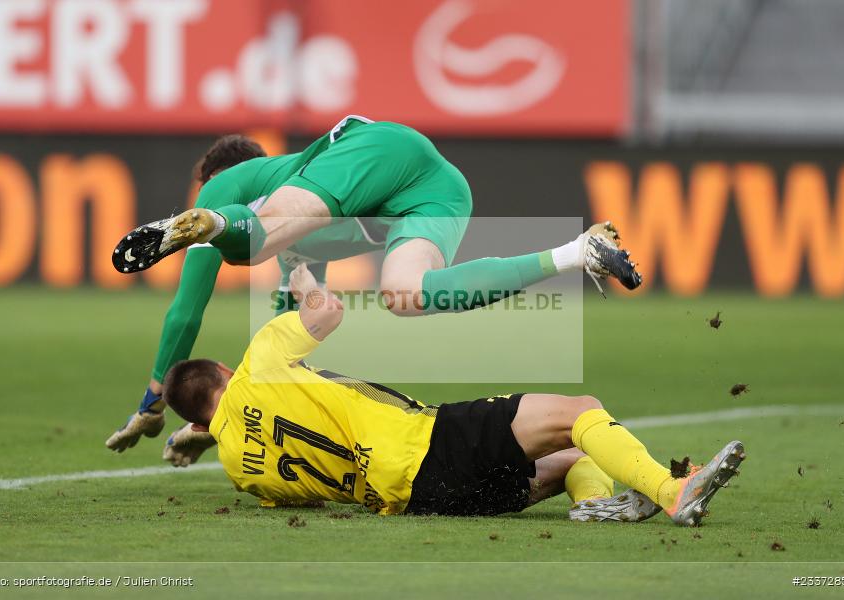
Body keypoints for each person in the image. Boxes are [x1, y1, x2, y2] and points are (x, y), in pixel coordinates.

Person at [107, 118, 643, 463]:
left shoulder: (228, 182)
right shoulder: (304, 247)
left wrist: (154, 403)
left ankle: (214, 227)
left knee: (253, 239)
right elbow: (288, 341)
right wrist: (224, 419)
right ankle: (577, 253)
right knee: (406, 295)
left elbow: (184, 315)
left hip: (370, 149)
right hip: (437, 189)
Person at [160, 264, 744, 524]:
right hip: (427, 444)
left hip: (419, 501)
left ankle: (592, 504)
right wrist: (305, 287)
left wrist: (206, 434)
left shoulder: (240, 465)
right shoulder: (260, 360)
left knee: (575, 459)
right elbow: (328, 313)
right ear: (223, 369)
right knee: (581, 412)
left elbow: (298, 490)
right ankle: (675, 491)